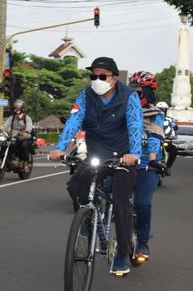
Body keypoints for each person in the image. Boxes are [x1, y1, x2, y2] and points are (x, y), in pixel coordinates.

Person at [49, 57, 143, 276]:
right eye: (94, 76)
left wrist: (134, 154)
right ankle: (89, 218)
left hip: (123, 157)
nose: (97, 80)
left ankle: (121, 253)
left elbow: (135, 125)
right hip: (96, 155)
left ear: (114, 78)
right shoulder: (85, 96)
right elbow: (73, 122)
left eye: (102, 76)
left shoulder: (129, 97)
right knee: (75, 187)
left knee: (120, 202)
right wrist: (60, 148)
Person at [129, 71, 165, 263]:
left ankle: (142, 243)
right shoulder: (121, 111)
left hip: (146, 164)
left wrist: (152, 159)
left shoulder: (156, 115)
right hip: (122, 162)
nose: (135, 96)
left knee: (142, 204)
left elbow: (154, 137)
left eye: (139, 92)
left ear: (149, 93)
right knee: (102, 189)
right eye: (131, 92)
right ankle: (93, 222)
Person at [0, 99, 34, 172]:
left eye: (18, 108)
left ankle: (25, 163)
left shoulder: (27, 118)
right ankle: (5, 159)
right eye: (15, 108)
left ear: (22, 109)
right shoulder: (12, 118)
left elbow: (29, 127)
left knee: (24, 145)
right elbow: (5, 125)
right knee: (3, 143)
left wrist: (26, 132)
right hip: (13, 136)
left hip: (24, 136)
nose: (16, 110)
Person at [156, 101, 178, 176]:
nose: (162, 111)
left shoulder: (170, 120)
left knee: (174, 150)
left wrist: (173, 135)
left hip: (165, 141)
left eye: (164, 109)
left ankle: (168, 167)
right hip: (155, 141)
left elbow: (173, 129)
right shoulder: (151, 118)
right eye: (160, 109)